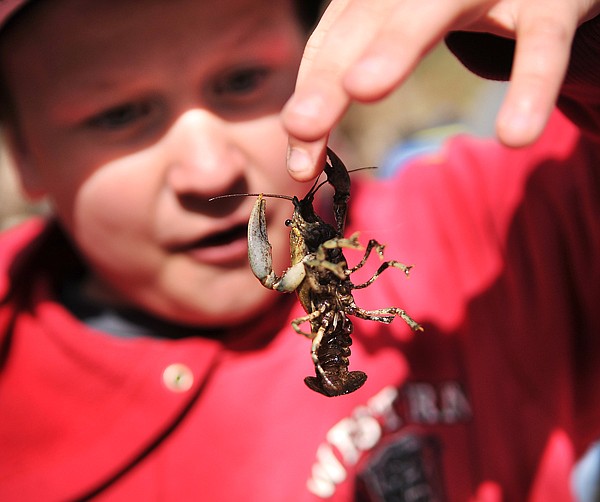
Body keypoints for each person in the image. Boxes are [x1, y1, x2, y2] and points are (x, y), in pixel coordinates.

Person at [1, 0, 599, 500]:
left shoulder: (472, 229)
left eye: (241, 80)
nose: (210, 171)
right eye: (119, 114)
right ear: (22, 153)